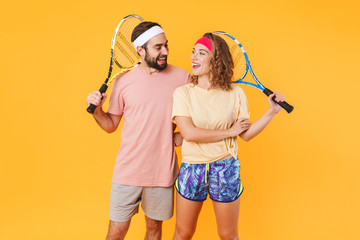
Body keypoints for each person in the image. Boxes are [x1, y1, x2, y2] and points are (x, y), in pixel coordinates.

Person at [171, 33, 286, 240]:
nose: (193, 57)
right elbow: (188, 133)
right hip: (192, 168)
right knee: (183, 233)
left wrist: (271, 112)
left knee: (228, 235)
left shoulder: (236, 93)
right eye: (193, 52)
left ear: (216, 60)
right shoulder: (183, 93)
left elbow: (246, 135)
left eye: (202, 53)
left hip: (225, 168)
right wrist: (229, 132)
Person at [86, 22, 190, 240]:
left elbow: (198, 118)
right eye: (158, 47)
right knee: (116, 231)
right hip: (128, 171)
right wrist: (97, 110)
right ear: (140, 50)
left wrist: (181, 137)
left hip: (162, 172)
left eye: (166, 46)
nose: (165, 52)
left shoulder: (183, 79)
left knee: (153, 229)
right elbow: (110, 125)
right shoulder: (123, 81)